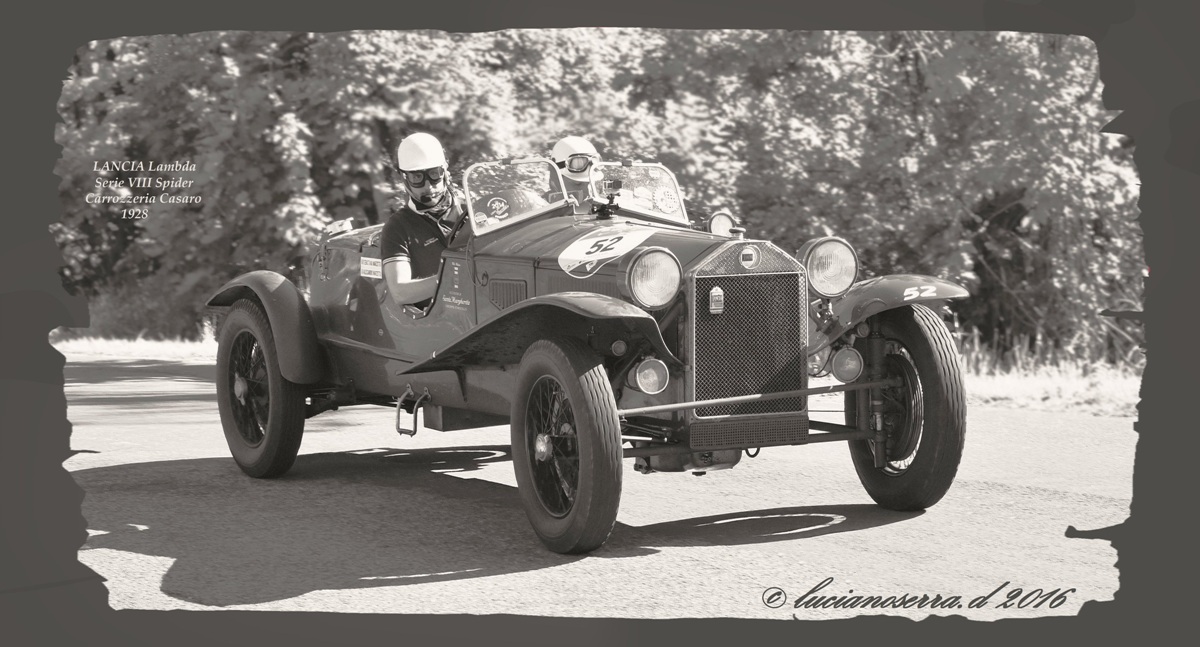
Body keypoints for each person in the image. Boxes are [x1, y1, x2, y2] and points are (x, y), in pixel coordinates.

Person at [380, 133, 465, 307]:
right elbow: (400, 292)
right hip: (441, 322)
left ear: (445, 171)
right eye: (417, 177)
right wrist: (454, 280)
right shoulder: (397, 227)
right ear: (404, 178)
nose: (429, 186)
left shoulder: (470, 210)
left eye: (435, 174)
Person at [550, 136, 603, 207]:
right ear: (556, 182)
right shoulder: (538, 208)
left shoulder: (605, 202)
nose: (588, 192)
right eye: (578, 184)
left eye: (591, 184)